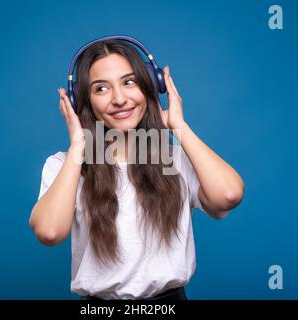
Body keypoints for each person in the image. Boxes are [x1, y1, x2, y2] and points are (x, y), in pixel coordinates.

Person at [29, 36, 245, 300]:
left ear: (150, 85)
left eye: (129, 82)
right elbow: (49, 232)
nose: (120, 99)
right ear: (80, 101)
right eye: (101, 89)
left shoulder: (174, 160)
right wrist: (77, 147)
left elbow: (229, 195)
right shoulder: (65, 165)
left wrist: (179, 127)